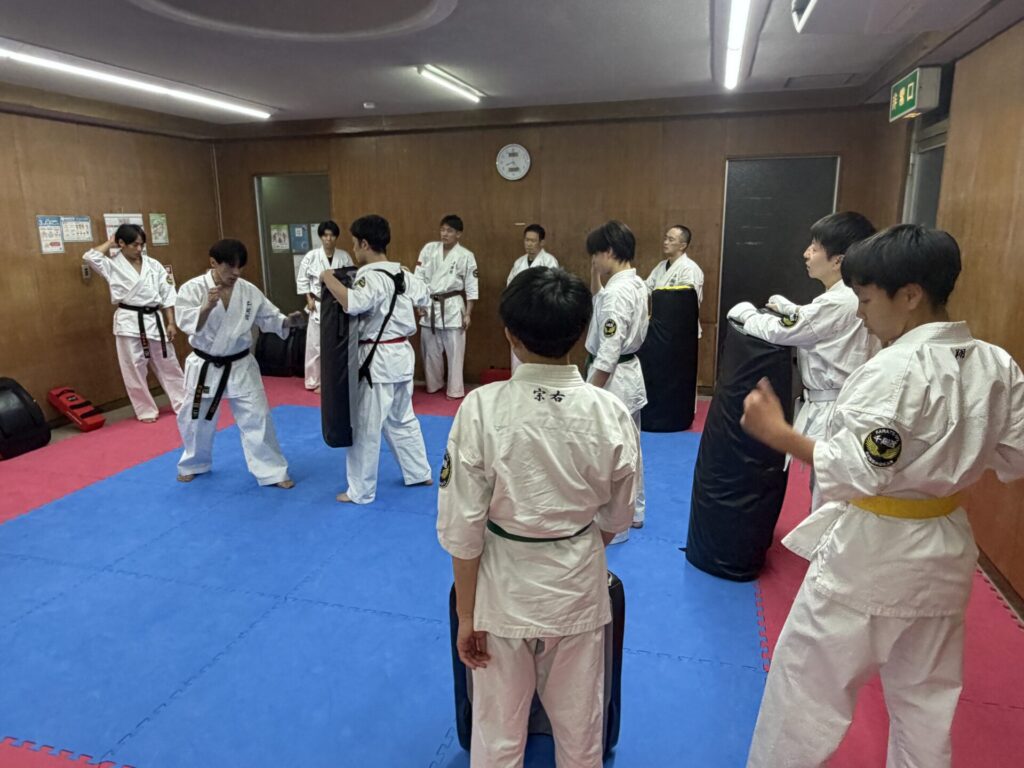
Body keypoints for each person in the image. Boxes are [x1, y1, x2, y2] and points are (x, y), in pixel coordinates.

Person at [740, 225, 1024, 768]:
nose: (861, 313)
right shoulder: (996, 364)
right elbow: (1015, 457)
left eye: (867, 300)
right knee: (926, 703)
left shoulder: (892, 371)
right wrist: (952, 452)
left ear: (910, 295)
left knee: (806, 690)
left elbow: (856, 471)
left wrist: (780, 434)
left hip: (872, 553)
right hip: (946, 550)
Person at [438, 266, 639, 768]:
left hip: (501, 594)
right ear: (582, 332)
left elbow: (463, 530)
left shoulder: (481, 409)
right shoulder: (610, 413)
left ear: (510, 334)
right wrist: (567, 539)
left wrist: (467, 616)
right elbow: (616, 520)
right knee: (580, 733)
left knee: (497, 734)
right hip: (577, 589)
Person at [727, 212, 880, 511]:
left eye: (815, 247)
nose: (806, 254)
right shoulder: (844, 296)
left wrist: (745, 314)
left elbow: (783, 331)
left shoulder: (839, 300)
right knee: (826, 490)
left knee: (830, 498)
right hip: (838, 400)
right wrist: (787, 307)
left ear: (838, 260)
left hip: (837, 406)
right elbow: (810, 320)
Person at [319, 215, 433, 504]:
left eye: (354, 244)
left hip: (376, 360)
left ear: (365, 244)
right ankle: (419, 472)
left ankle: (360, 491)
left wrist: (327, 278)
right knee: (402, 418)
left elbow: (352, 302)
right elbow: (425, 299)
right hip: (402, 356)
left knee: (366, 427)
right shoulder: (404, 274)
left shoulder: (369, 277)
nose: (354, 249)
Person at [174, 238, 306, 488]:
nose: (236, 272)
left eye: (240, 267)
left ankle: (272, 472)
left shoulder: (248, 290)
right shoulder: (192, 289)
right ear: (213, 262)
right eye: (230, 266)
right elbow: (187, 325)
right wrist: (206, 307)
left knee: (258, 417)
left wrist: (289, 322)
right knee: (195, 420)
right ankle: (194, 463)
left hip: (240, 363)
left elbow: (270, 318)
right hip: (205, 365)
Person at [82, 225, 186, 422]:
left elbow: (168, 294)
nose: (139, 249)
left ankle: (183, 403)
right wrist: (110, 242)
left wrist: (171, 322)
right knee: (134, 368)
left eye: (142, 245)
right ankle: (146, 411)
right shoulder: (112, 265)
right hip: (129, 321)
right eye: (135, 245)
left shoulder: (153, 264)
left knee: (169, 363)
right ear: (121, 243)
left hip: (154, 319)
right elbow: (90, 257)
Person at [586, 220, 649, 540]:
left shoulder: (617, 293)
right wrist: (595, 273)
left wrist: (587, 393)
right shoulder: (636, 284)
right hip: (629, 375)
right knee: (631, 446)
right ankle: (635, 511)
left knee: (610, 451)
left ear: (609, 251)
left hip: (612, 379)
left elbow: (608, 352)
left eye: (595, 255)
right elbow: (599, 299)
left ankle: (616, 523)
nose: (593, 260)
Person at [415, 214, 479, 399]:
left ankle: (455, 389)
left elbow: (471, 286)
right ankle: (433, 385)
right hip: (429, 304)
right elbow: (418, 278)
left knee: (455, 351)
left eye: (449, 231)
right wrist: (419, 302)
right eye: (442, 230)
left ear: (458, 234)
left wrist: (468, 313)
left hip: (452, 305)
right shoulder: (429, 249)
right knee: (430, 351)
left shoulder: (466, 255)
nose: (444, 234)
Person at [295, 220, 353, 392]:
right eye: (325, 235)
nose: (328, 239)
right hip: (318, 304)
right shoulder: (311, 256)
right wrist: (309, 299)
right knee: (315, 345)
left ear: (336, 237)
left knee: (335, 345)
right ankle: (313, 380)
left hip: (338, 305)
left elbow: (351, 278)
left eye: (332, 235)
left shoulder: (344, 256)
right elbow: (302, 280)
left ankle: (333, 381)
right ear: (321, 237)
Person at [506, 224, 559, 371]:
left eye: (533, 241)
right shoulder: (518, 263)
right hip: (520, 314)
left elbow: (553, 290)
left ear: (542, 242)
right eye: (527, 240)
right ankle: (517, 382)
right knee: (517, 353)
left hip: (540, 314)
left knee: (538, 353)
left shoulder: (549, 262)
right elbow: (510, 287)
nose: (529, 244)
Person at [646, 224, 704, 337]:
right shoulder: (661, 266)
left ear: (682, 246)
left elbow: (685, 301)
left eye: (671, 239)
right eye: (665, 238)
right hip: (660, 328)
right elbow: (647, 287)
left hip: (681, 330)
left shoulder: (689, 269)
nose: (665, 242)